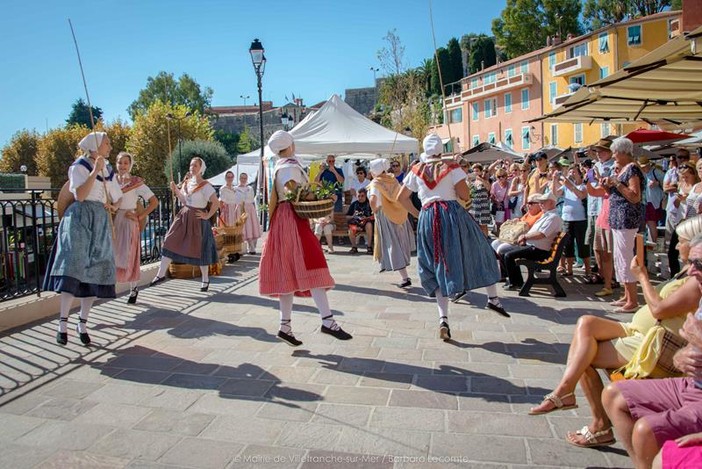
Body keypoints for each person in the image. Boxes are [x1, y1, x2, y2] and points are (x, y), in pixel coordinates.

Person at [528, 218, 702, 450]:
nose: (677, 245)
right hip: (639, 329)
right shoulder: (688, 271)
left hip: (654, 341)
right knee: (586, 324)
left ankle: (593, 419)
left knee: (582, 356)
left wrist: (641, 276)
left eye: (681, 241)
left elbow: (659, 308)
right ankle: (566, 393)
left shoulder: (694, 279)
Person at [602, 239, 702, 468]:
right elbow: (687, 349)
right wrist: (682, 356)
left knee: (646, 429)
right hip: (692, 381)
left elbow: (659, 309)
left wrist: (642, 277)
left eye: (699, 264)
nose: (692, 271)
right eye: (691, 263)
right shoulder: (699, 288)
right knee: (613, 395)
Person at [398, 135, 507, 341]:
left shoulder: (416, 170)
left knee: (437, 264)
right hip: (451, 214)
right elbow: (465, 195)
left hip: (428, 217)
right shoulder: (452, 166)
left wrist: (419, 214)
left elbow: (401, 197)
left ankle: (443, 319)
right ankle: (492, 297)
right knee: (480, 248)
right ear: (441, 149)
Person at [259, 130, 352, 346]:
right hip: (292, 219)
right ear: (289, 144)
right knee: (312, 263)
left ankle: (285, 327)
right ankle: (327, 321)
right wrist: (324, 196)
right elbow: (295, 191)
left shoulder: (281, 165)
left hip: (284, 219)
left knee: (290, 272)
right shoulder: (289, 166)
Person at [44, 131, 122, 345]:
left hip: (99, 219)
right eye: (107, 143)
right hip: (80, 219)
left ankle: (83, 323)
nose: (110, 146)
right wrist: (94, 171)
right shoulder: (79, 166)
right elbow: (79, 195)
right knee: (74, 268)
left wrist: (112, 205)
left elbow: (117, 196)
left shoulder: (108, 170)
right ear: (96, 145)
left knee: (94, 272)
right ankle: (62, 323)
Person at [150, 157, 219, 292]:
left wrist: (207, 215)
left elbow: (216, 203)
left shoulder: (205, 186)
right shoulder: (187, 183)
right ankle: (160, 274)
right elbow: (183, 200)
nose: (192, 168)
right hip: (183, 216)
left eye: (195, 166)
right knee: (170, 241)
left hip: (198, 220)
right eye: (191, 165)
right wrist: (175, 189)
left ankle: (205, 279)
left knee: (201, 250)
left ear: (201, 169)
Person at [602, 137, 644, 314]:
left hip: (627, 218)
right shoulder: (622, 169)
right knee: (620, 258)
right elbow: (615, 194)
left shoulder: (632, 168)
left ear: (623, 152)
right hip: (618, 219)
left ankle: (633, 300)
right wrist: (607, 186)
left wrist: (617, 183)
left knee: (626, 258)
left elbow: (635, 196)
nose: (613, 155)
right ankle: (626, 296)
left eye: (615, 151)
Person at [114, 151, 158, 304]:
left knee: (130, 255)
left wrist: (139, 216)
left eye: (126, 163)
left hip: (129, 220)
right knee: (114, 254)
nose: (122, 166)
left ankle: (133, 288)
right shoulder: (111, 181)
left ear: (130, 165)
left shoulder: (136, 182)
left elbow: (154, 201)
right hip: (115, 219)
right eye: (120, 162)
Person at [367, 158, 415, 288]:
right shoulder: (393, 180)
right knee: (394, 242)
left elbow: (372, 200)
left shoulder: (376, 183)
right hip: (399, 213)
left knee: (393, 243)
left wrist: (374, 209)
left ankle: (405, 277)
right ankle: (385, 263)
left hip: (385, 215)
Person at [501, 193, 562, 290]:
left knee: (509, 256)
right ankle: (514, 280)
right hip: (534, 247)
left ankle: (516, 283)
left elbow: (541, 234)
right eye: (540, 202)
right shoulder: (547, 215)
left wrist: (525, 237)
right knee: (504, 252)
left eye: (543, 202)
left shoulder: (553, 217)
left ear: (551, 203)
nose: (541, 204)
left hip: (540, 251)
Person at [585, 164, 619, 297]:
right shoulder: (607, 187)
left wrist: (604, 184)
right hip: (601, 221)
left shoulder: (617, 187)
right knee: (598, 251)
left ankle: (610, 282)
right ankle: (605, 278)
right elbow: (592, 192)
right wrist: (587, 180)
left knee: (608, 255)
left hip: (611, 223)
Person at [552, 164, 591, 278]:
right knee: (567, 245)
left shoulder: (583, 186)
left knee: (582, 245)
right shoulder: (565, 186)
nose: (571, 174)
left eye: (574, 172)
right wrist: (555, 180)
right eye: (570, 172)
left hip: (580, 220)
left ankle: (588, 270)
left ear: (579, 174)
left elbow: (581, 195)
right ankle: (569, 269)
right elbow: (556, 193)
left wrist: (571, 186)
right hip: (567, 219)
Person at [669, 162, 700, 277]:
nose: (685, 179)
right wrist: (679, 200)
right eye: (683, 176)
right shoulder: (681, 185)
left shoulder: (696, 186)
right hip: (681, 222)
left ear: (693, 175)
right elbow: (677, 206)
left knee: (690, 254)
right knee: (672, 252)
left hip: (692, 225)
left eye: (687, 176)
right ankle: (674, 277)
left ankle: (689, 276)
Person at [233, 172, 262, 254]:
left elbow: (252, 199)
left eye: (245, 178)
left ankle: (252, 247)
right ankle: (240, 248)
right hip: (240, 209)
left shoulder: (250, 188)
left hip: (250, 209)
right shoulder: (235, 189)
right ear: (239, 179)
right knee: (242, 227)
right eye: (242, 178)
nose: (243, 180)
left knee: (251, 227)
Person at [641, 157, 666, 244]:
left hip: (654, 201)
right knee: (648, 223)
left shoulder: (656, 172)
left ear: (648, 165)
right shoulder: (643, 174)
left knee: (652, 223)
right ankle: (650, 243)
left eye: (644, 167)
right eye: (641, 167)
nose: (643, 169)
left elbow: (665, 181)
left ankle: (655, 244)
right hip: (645, 201)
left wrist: (657, 183)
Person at [346, 188, 373, 254]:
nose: (360, 197)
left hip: (366, 225)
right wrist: (353, 216)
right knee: (351, 229)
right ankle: (354, 247)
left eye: (362, 196)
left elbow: (375, 216)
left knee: (369, 225)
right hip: (356, 225)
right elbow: (347, 216)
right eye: (359, 196)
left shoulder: (370, 204)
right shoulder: (354, 204)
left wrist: (366, 218)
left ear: (366, 196)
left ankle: (369, 247)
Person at [468, 163, 492, 236]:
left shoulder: (485, 180)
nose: (475, 172)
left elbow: (488, 188)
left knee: (484, 225)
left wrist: (481, 179)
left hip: (483, 206)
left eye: (477, 171)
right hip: (474, 207)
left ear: (481, 172)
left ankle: (486, 240)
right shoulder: (471, 182)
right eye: (474, 171)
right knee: (475, 225)